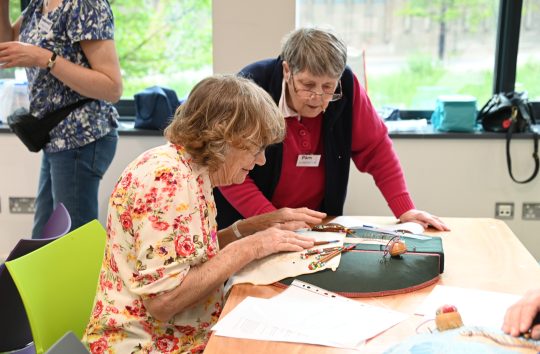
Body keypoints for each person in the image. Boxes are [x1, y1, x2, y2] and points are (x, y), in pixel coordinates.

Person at [82, 75, 324, 353]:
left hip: (178, 334)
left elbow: (189, 258)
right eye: (256, 148)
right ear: (225, 138)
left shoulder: (191, 170)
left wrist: (248, 228)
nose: (261, 160)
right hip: (146, 344)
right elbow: (164, 302)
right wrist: (251, 246)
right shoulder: (167, 181)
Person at [214, 27, 450, 234]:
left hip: (316, 223)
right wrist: (270, 218)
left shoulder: (347, 85)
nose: (317, 97)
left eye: (328, 87)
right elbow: (228, 169)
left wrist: (405, 209)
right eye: (307, 85)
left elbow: (376, 149)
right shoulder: (253, 85)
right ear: (287, 71)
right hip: (247, 222)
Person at [0, 0, 122, 237]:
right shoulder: (40, 4)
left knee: (70, 242)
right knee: (43, 240)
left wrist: (45, 58)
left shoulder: (85, 4)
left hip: (81, 137)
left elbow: (112, 88)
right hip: (56, 138)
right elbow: (6, 48)